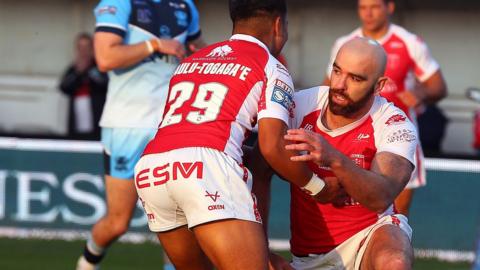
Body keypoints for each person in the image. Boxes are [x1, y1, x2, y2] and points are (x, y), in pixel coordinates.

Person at [134, 0, 328, 269]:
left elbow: (188, 129)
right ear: (277, 25)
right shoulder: (271, 66)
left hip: (152, 167)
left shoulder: (191, 62)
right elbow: (271, 147)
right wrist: (320, 188)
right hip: (207, 167)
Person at [75, 1, 205, 270]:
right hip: (126, 125)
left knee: (179, 221)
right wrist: (154, 45)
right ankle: (87, 262)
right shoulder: (120, 3)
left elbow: (198, 52)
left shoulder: (185, 6)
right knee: (118, 222)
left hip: (170, 127)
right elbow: (105, 58)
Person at [271, 37, 417, 269]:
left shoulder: (394, 123)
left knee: (394, 261)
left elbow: (381, 197)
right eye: (337, 71)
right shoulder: (301, 104)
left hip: (368, 238)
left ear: (379, 85)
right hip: (307, 256)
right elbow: (261, 161)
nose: (340, 84)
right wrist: (260, 249)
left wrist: (334, 158)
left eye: (355, 78)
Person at [323, 0, 447, 216]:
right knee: (350, 211)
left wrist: (421, 94)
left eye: (374, 7)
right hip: (354, 137)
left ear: (389, 7)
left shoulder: (409, 42)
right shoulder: (346, 43)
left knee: (398, 212)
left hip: (398, 138)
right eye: (363, 7)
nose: (368, 13)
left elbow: (438, 86)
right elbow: (328, 90)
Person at [59, 33, 108, 140]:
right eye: (80, 48)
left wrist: (90, 70)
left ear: (92, 49)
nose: (83, 51)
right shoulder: (73, 69)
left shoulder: (100, 67)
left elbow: (105, 84)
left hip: (96, 124)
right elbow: (63, 87)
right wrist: (78, 73)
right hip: (76, 124)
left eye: (86, 47)